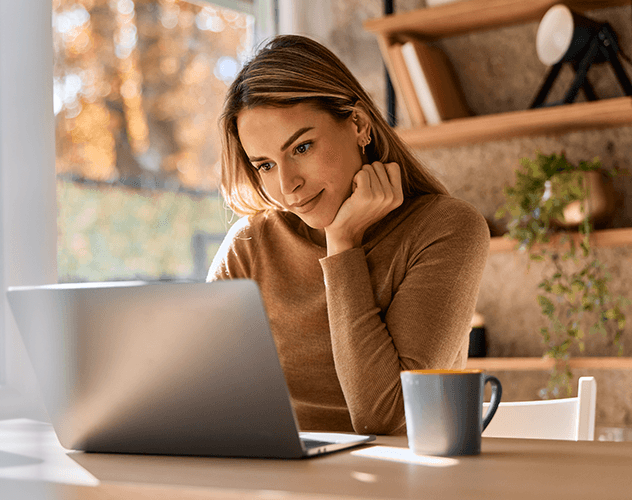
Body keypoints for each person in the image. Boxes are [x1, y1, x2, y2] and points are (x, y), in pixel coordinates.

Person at [207, 35, 490, 435]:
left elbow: (386, 418)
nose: (288, 186)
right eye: (265, 165)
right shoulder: (249, 246)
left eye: (302, 147)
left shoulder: (446, 229)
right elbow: (202, 396)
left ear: (358, 124)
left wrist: (341, 246)